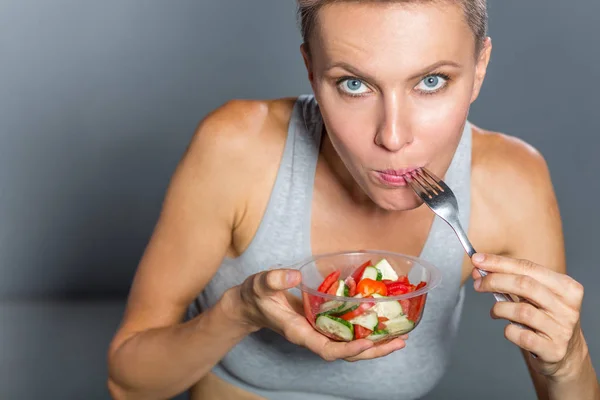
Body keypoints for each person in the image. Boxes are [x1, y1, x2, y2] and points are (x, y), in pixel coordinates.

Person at [107, 0, 599, 399]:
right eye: (354, 84)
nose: (392, 136)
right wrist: (238, 313)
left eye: (431, 82)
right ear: (310, 70)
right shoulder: (237, 147)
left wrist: (569, 359)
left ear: (479, 68)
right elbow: (129, 384)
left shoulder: (513, 183)